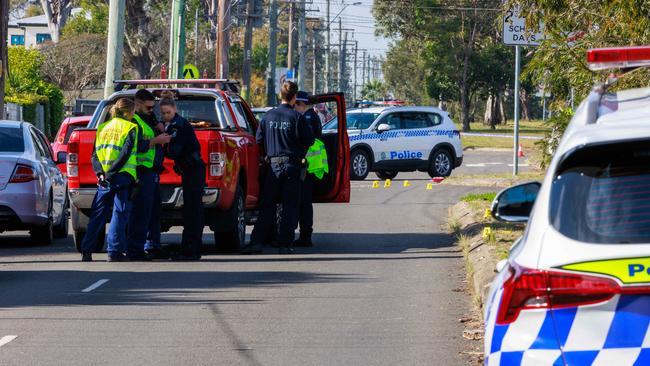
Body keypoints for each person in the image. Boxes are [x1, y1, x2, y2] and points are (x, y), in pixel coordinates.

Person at [241, 81, 314, 255]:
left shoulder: (267, 117)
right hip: (292, 166)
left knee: (267, 206)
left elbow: (258, 140)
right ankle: (285, 244)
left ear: (280, 95)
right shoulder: (297, 118)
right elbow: (310, 140)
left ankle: (257, 242)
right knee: (289, 207)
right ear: (294, 98)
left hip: (272, 166)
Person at [81, 98, 138, 262]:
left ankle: (87, 251)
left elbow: (94, 154)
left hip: (103, 178)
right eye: (133, 112)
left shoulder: (102, 128)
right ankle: (115, 251)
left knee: (97, 215)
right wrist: (111, 173)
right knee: (119, 213)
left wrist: (100, 173)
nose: (134, 114)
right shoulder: (130, 127)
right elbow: (125, 154)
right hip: (121, 176)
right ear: (127, 112)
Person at [126, 89, 171, 261]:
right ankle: (136, 249)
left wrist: (160, 129)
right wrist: (156, 141)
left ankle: (153, 245)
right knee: (141, 213)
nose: (152, 110)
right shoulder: (134, 121)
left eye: (154, 108)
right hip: (140, 172)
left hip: (152, 172)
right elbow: (136, 145)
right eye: (149, 107)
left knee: (153, 212)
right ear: (137, 104)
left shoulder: (149, 119)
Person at [161, 92, 205, 261]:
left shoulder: (178, 126)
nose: (165, 116)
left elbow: (174, 152)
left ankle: (190, 250)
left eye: (168, 113)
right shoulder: (173, 125)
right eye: (163, 113)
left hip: (192, 169)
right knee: (192, 210)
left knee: (193, 211)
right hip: (189, 169)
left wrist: (163, 141)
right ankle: (191, 249)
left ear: (174, 109)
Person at [293, 91, 324, 247]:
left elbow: (305, 140)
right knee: (304, 202)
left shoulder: (308, 118)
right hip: (309, 164)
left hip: (307, 165)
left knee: (303, 202)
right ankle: (305, 235)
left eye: (295, 104)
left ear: (302, 104)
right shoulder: (312, 116)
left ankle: (305, 236)